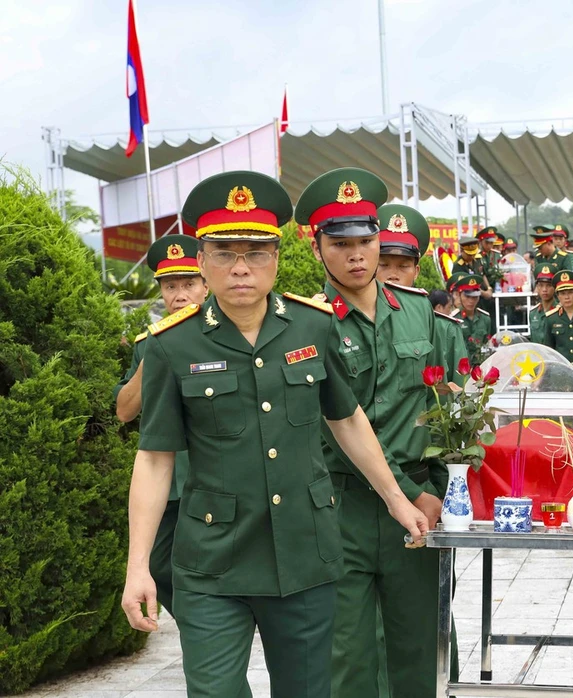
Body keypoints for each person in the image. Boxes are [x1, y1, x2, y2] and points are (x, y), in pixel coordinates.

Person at [121, 171, 427, 698]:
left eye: (257, 251)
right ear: (201, 260)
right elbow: (154, 459)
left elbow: (346, 418)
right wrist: (137, 567)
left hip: (304, 554)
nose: (241, 267)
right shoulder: (172, 345)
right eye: (223, 252)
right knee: (215, 692)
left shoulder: (313, 326)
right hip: (213, 561)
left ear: (277, 258)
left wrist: (397, 500)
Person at [294, 169, 451, 698]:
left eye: (366, 241)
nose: (356, 255)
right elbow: (330, 425)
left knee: (418, 652)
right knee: (349, 659)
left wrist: (439, 489)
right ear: (317, 248)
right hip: (341, 509)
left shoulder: (420, 313)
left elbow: (446, 409)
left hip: (419, 506)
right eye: (340, 244)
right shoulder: (304, 325)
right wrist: (409, 495)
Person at [114, 233, 210, 620]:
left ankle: (209, 630)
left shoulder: (224, 334)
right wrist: (153, 353)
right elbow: (124, 410)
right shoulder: (148, 343)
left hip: (210, 475)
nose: (180, 295)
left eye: (189, 284)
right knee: (160, 564)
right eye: (171, 286)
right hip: (168, 483)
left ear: (206, 283)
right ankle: (200, 626)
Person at [376, 202, 469, 384]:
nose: (393, 275)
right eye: (383, 265)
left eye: (403, 266)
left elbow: (454, 393)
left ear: (416, 271)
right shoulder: (351, 319)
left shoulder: (442, 327)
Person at [451, 273, 492, 365]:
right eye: (467, 296)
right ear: (459, 295)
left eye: (475, 297)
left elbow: (487, 346)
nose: (471, 301)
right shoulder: (453, 319)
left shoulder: (485, 319)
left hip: (480, 367)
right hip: (460, 368)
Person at [529, 265, 557, 339]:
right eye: (541, 285)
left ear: (555, 287)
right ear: (537, 287)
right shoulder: (533, 313)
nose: (544, 289)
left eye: (549, 285)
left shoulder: (560, 311)